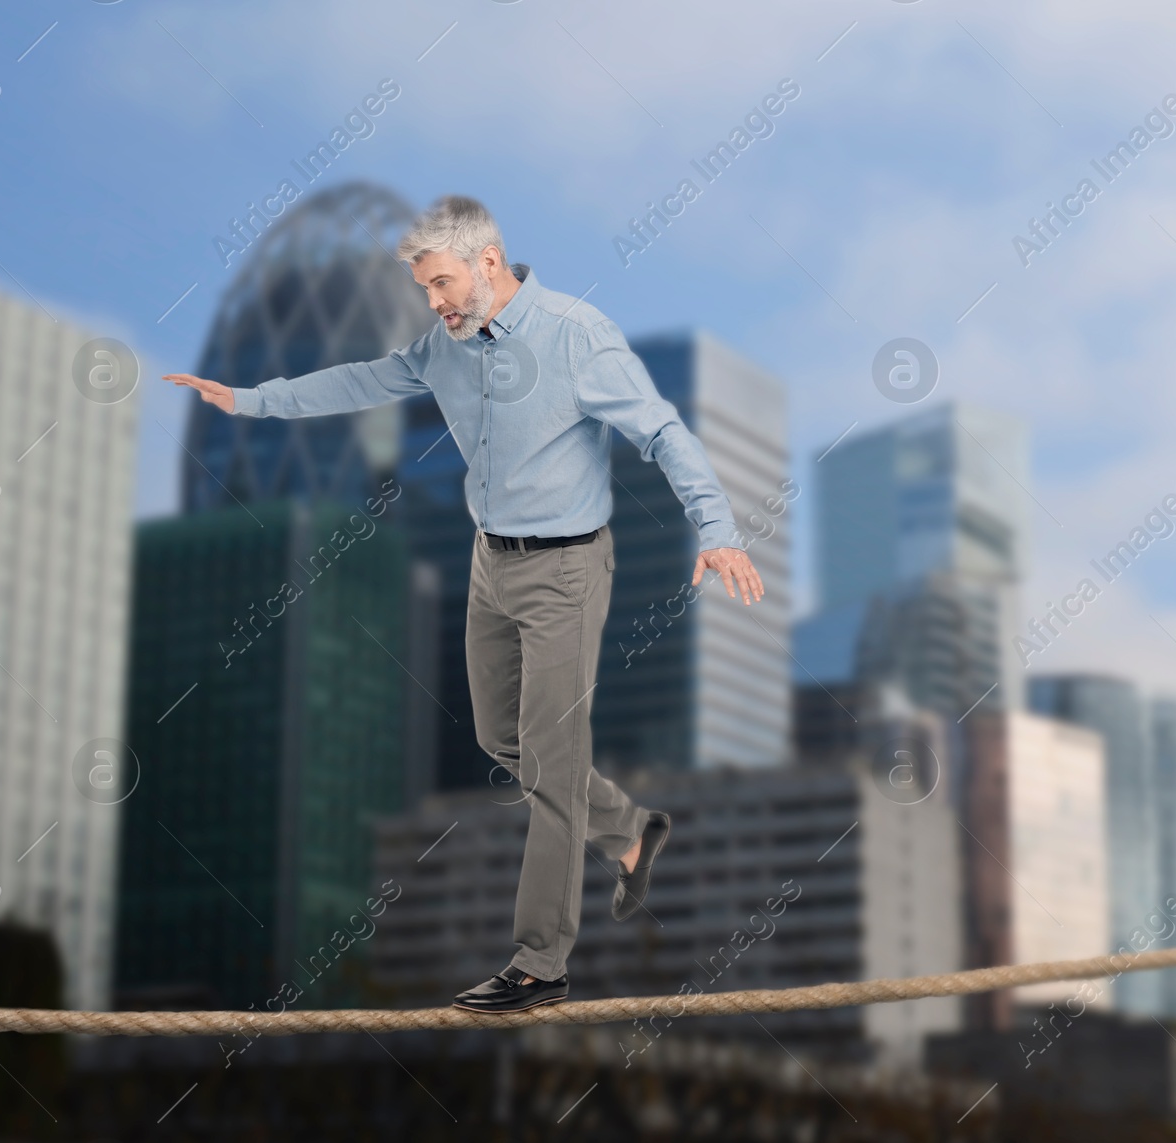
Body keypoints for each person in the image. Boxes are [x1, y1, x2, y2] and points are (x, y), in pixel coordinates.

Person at [166, 195, 765, 1014]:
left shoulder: (575, 336)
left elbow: (661, 430)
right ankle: (630, 830)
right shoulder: (441, 347)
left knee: (551, 771)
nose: (435, 302)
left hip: (567, 571)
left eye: (443, 283)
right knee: (499, 737)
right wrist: (249, 399)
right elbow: (360, 380)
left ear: (489, 262)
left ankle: (540, 964)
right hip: (492, 564)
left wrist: (717, 528)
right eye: (424, 290)